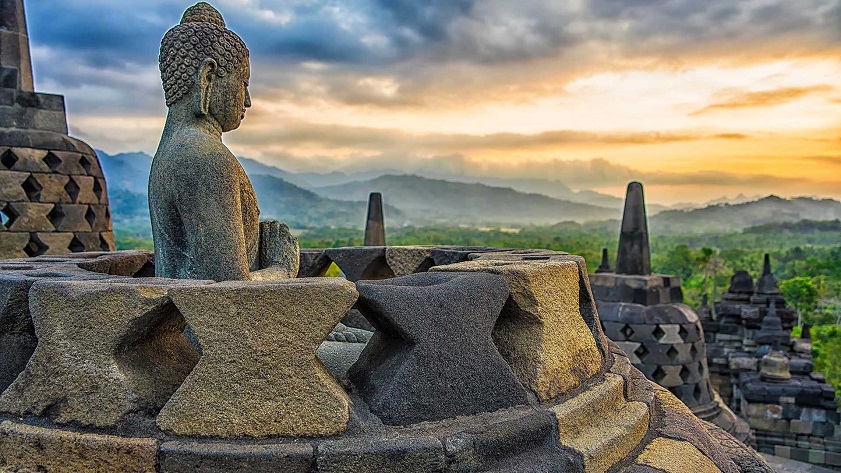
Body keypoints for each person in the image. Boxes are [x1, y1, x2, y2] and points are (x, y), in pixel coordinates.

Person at [149, 2, 296, 281]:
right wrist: (282, 267)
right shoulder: (204, 158)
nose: (248, 100)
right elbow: (228, 294)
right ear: (208, 77)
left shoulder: (172, 152)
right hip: (211, 324)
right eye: (244, 83)